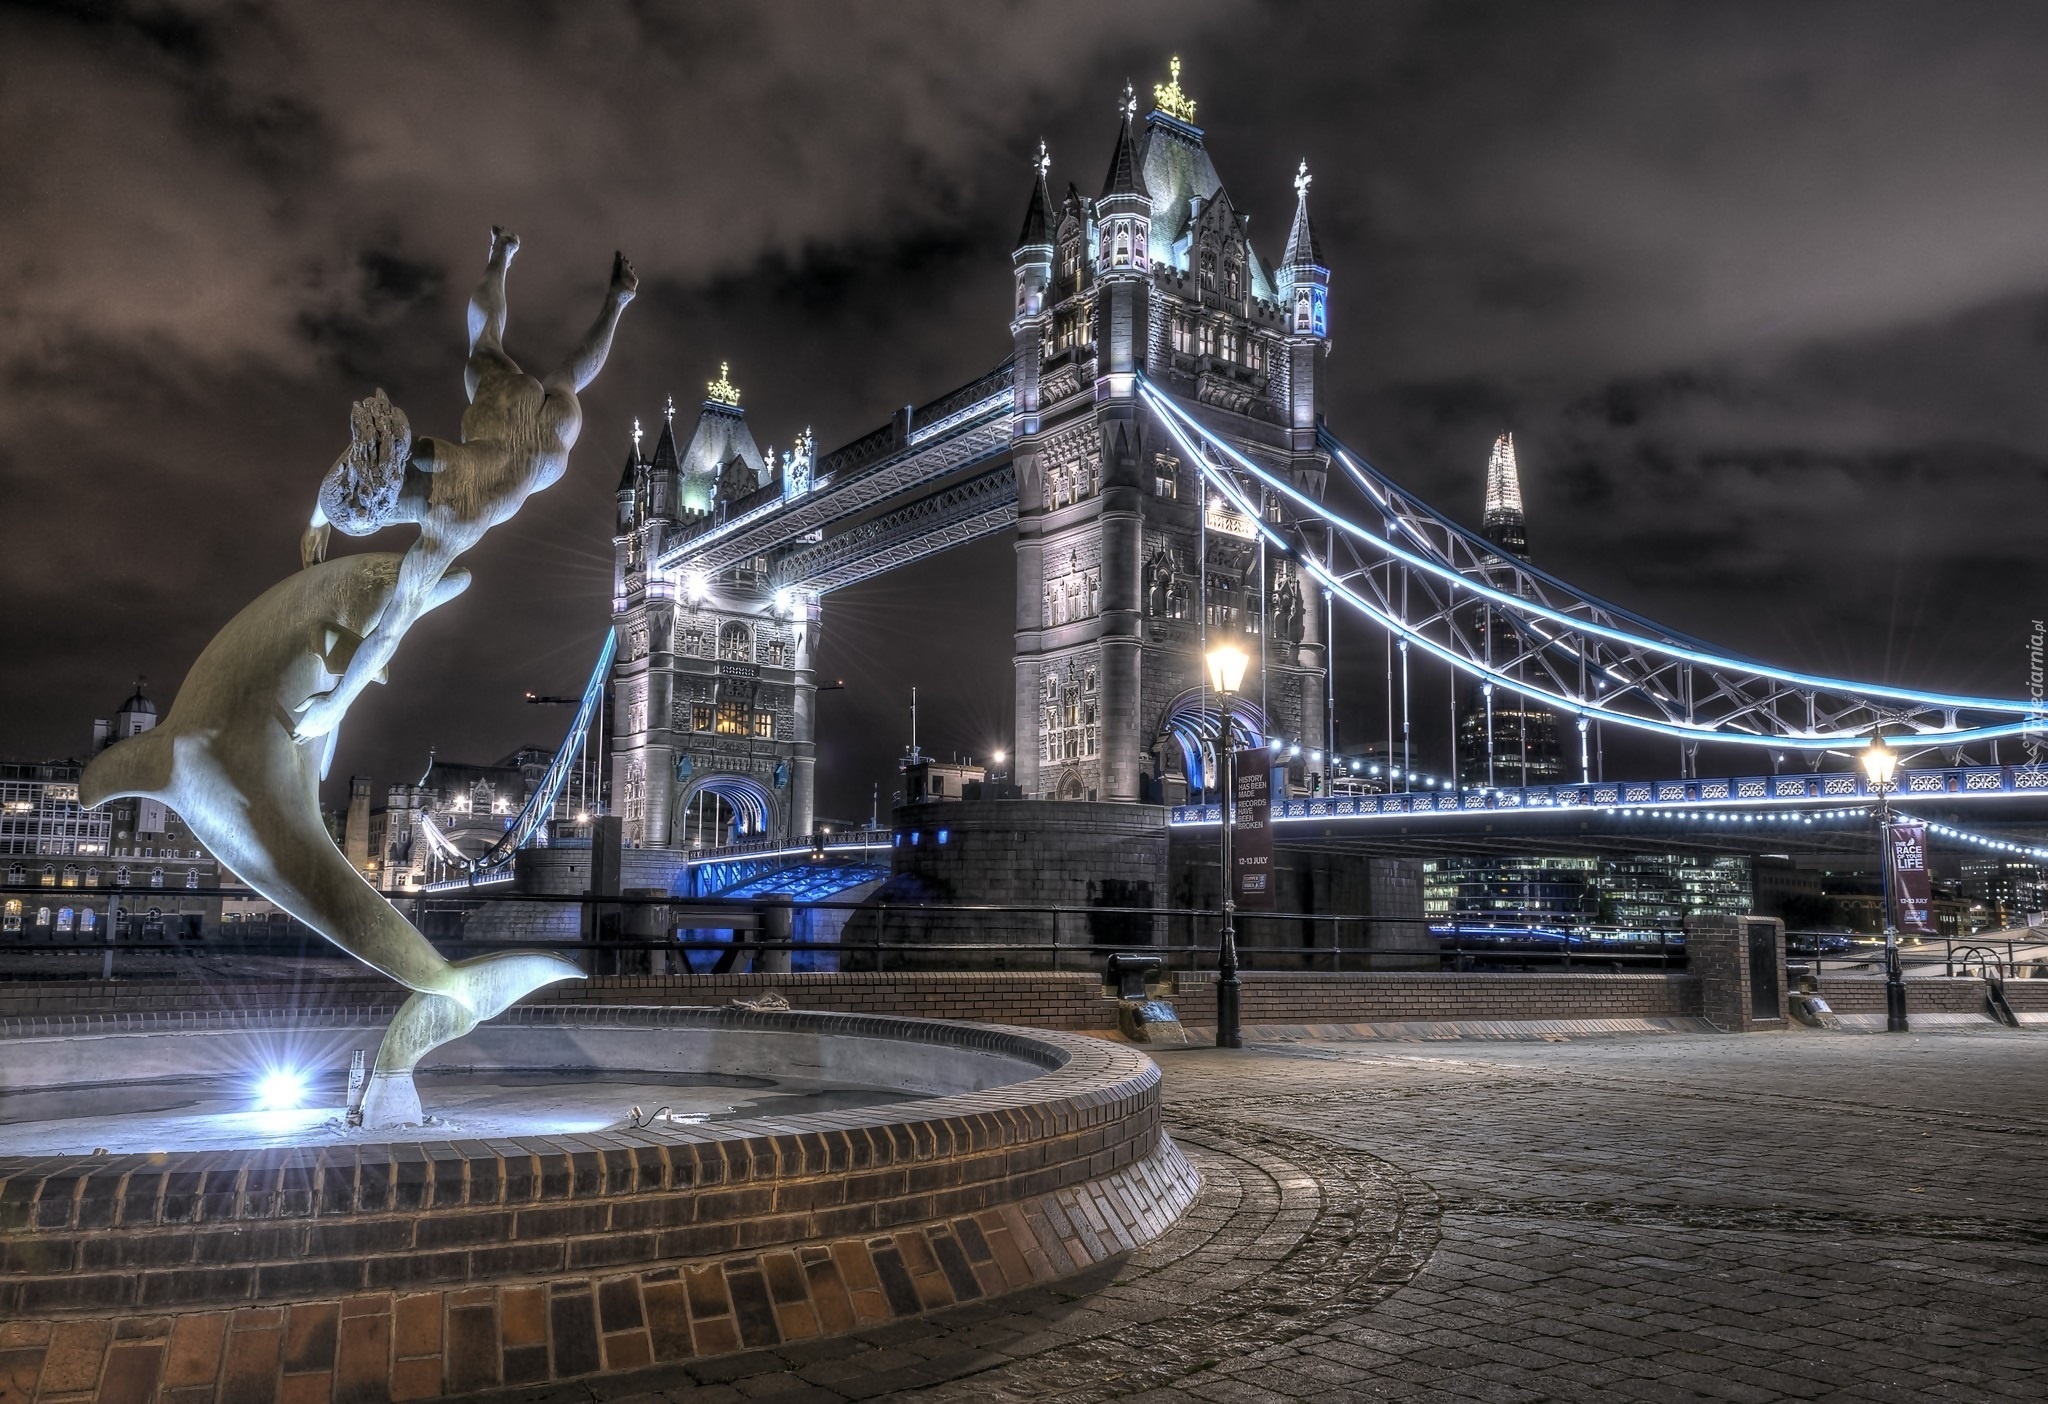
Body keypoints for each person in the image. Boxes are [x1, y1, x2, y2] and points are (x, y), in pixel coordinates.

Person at [295, 228, 636, 740]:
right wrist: (319, 516)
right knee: (488, 343)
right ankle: (505, 253)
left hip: (544, 448)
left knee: (566, 379)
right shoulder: (421, 452)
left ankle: (615, 300)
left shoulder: (446, 528)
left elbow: (391, 631)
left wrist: (334, 707)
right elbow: (369, 451)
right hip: (503, 409)